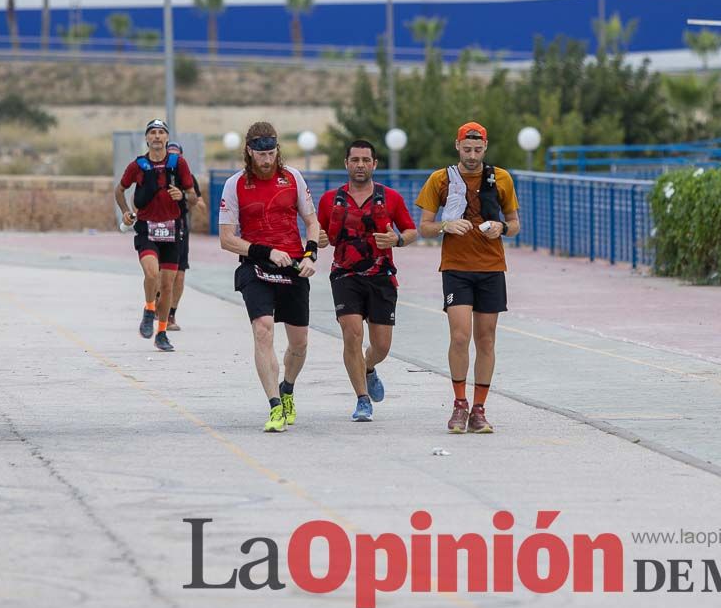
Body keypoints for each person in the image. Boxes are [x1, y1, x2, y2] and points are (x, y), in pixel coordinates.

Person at [415, 121, 520, 434]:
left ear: (485, 148)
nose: (472, 155)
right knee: (460, 336)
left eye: (477, 149)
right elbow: (424, 226)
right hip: (456, 268)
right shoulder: (440, 179)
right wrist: (447, 226)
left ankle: (479, 409)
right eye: (466, 149)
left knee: (486, 339)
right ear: (457, 146)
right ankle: (459, 404)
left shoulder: (501, 178)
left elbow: (515, 223)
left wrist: (502, 228)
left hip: (491, 268)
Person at [218, 122, 320, 433]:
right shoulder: (234, 185)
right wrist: (266, 252)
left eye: (272, 153)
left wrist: (311, 253)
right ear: (249, 151)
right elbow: (226, 239)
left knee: (299, 344)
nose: (267, 160)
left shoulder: (293, 178)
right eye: (261, 154)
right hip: (256, 266)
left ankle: (287, 388)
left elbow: (312, 221)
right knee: (263, 331)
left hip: (292, 266)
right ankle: (275, 406)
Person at [316, 139, 418, 422]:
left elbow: (411, 231)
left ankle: (369, 368)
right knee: (352, 334)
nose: (360, 165)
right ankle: (362, 400)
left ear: (374, 164)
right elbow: (317, 235)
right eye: (355, 160)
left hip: (381, 276)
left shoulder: (391, 198)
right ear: (346, 163)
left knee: (382, 345)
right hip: (344, 275)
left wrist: (396, 239)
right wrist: (319, 240)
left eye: (365, 160)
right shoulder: (330, 199)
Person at [115, 119, 196, 352]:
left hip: (172, 230)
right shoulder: (138, 165)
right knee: (152, 274)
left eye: (161, 133)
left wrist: (181, 194)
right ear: (147, 139)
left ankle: (161, 334)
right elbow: (120, 190)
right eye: (153, 133)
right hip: (147, 228)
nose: (157, 137)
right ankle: (149, 309)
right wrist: (125, 212)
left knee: (168, 286)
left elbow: (192, 196)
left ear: (167, 138)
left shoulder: (178, 163)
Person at [164, 142, 207, 332]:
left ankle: (171, 314)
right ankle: (155, 303)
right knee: (160, 274)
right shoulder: (156, 173)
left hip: (180, 227)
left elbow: (198, 200)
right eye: (170, 155)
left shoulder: (187, 176)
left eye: (176, 156)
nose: (173, 159)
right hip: (159, 227)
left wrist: (190, 200)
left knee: (179, 277)